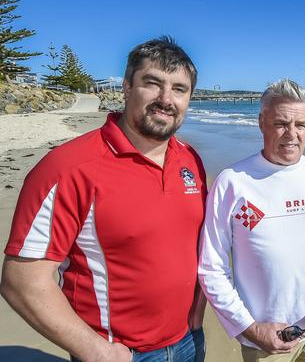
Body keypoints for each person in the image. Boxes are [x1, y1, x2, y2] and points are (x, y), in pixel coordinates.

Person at [1, 36, 207, 362]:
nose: (166, 99)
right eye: (152, 83)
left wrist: (199, 308)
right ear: (126, 86)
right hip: (119, 352)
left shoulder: (190, 161)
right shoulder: (69, 167)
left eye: (179, 89)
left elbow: (195, 245)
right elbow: (22, 281)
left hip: (189, 340)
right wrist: (95, 350)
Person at [198, 79, 305, 361]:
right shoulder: (233, 183)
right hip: (267, 340)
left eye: (301, 125)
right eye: (281, 124)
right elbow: (211, 268)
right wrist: (249, 328)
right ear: (262, 122)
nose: (291, 134)